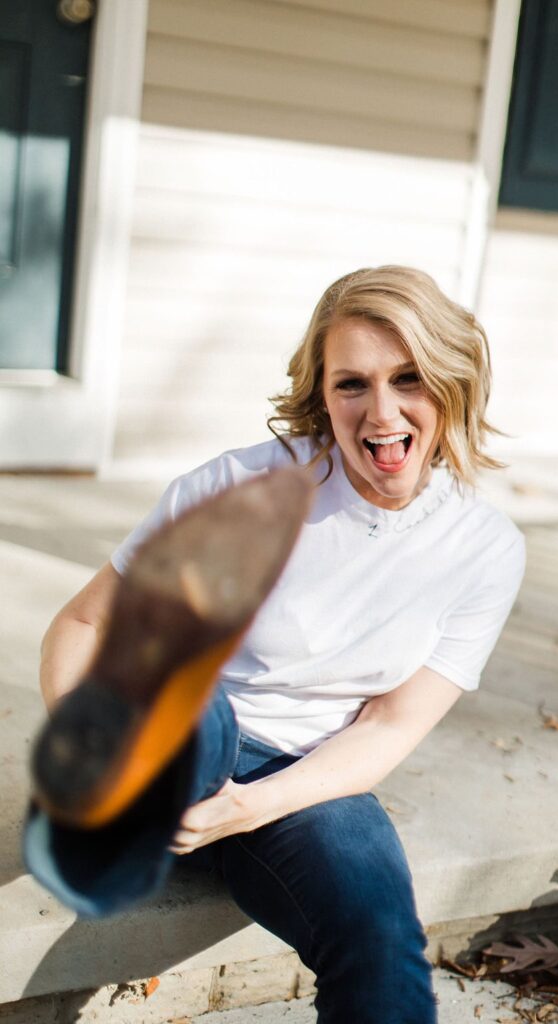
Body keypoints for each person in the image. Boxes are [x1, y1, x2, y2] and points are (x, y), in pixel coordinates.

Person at [24, 265, 526, 1024]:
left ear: (451, 383)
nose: (381, 412)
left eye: (408, 378)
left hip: (305, 783)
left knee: (381, 944)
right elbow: (85, 626)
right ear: (320, 396)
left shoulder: (484, 548)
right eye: (351, 383)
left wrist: (252, 807)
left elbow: (390, 724)